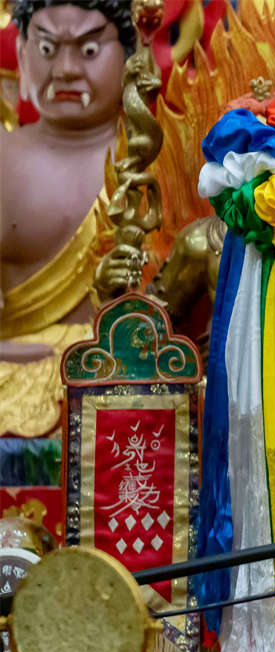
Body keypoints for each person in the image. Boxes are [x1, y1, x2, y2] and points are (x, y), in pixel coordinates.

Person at [0, 0, 131, 436]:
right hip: (14, 368)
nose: (66, 70)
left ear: (130, 57)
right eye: (47, 48)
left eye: (89, 50)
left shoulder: (154, 159)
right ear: (22, 54)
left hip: (125, 374)